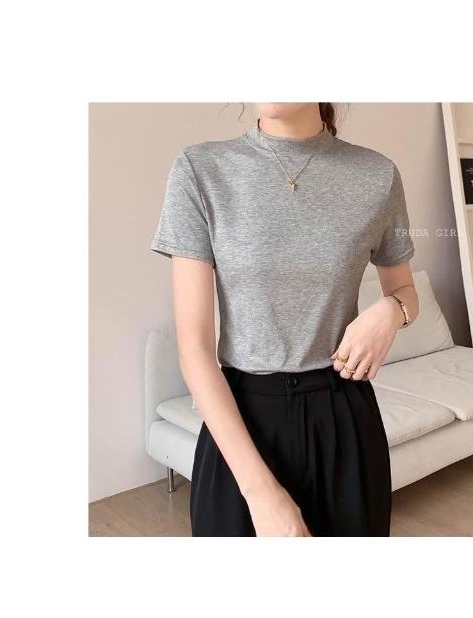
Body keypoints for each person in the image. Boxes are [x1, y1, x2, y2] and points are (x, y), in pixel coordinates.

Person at [150, 102, 419, 536]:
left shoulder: (376, 175)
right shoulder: (201, 170)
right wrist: (261, 493)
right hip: (241, 422)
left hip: (344, 418)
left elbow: (404, 290)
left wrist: (392, 311)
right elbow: (194, 348)